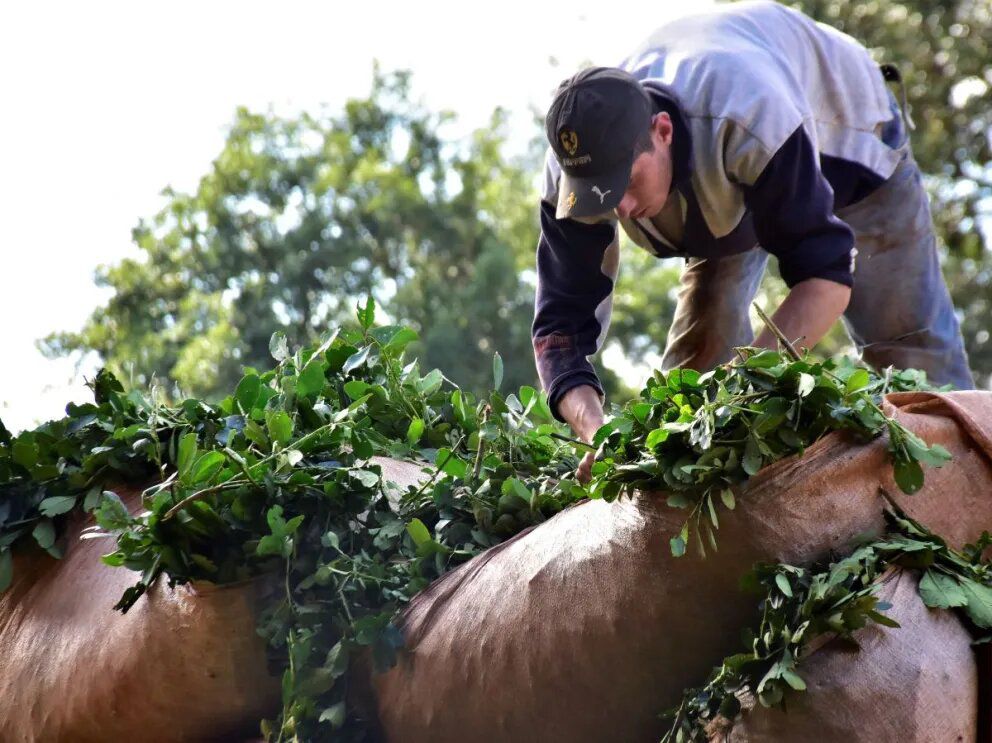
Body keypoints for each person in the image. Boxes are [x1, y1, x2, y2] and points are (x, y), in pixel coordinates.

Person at [532, 0, 974, 482]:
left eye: (625, 183)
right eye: (599, 192)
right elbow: (560, 334)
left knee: (914, 358)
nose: (620, 208)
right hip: (727, 177)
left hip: (848, 140)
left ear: (662, 132)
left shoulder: (749, 116)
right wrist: (598, 432)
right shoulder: (574, 173)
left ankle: (972, 503)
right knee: (693, 384)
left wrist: (734, 398)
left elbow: (823, 277)